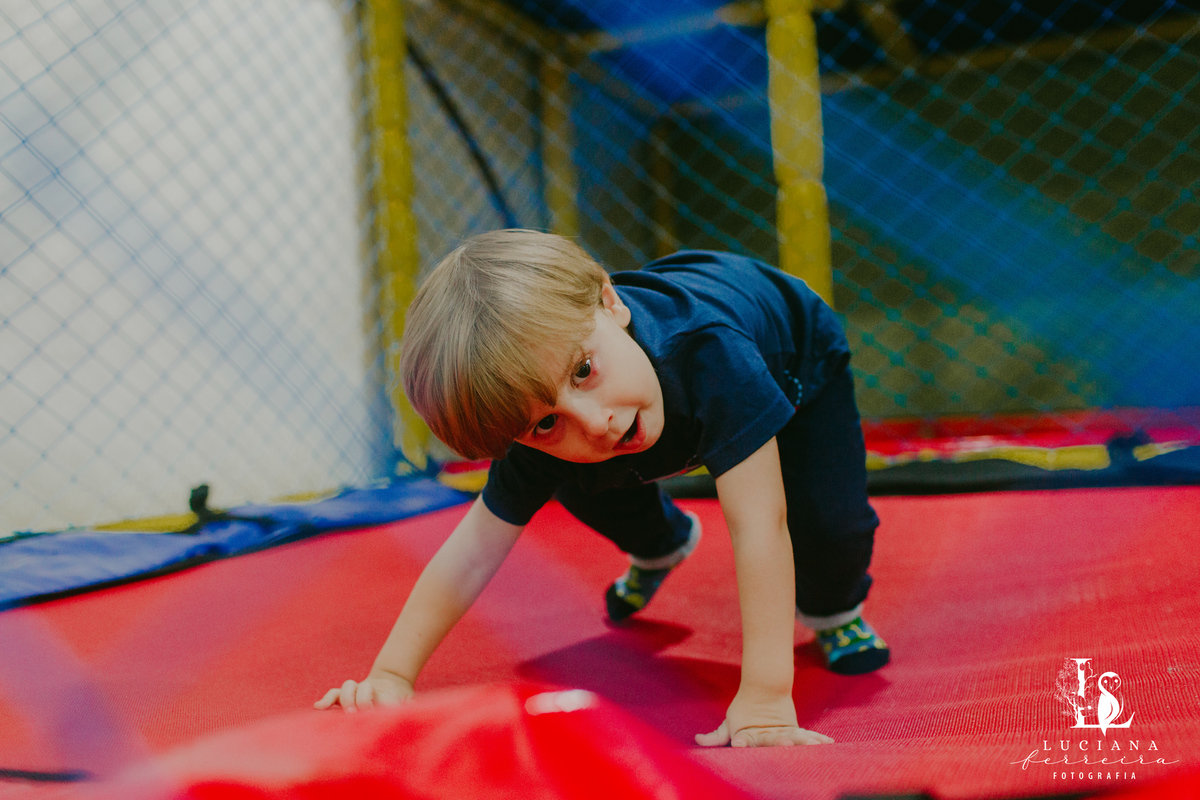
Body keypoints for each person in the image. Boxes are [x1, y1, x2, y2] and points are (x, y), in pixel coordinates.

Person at [315, 230, 888, 748]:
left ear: (610, 304)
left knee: (831, 525)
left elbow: (760, 523)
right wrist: (390, 674)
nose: (592, 420)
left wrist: (764, 698)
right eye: (545, 422)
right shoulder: (547, 418)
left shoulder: (713, 356)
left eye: (584, 371)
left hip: (797, 355)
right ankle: (662, 543)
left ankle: (836, 612)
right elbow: (473, 551)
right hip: (654, 385)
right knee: (575, 468)